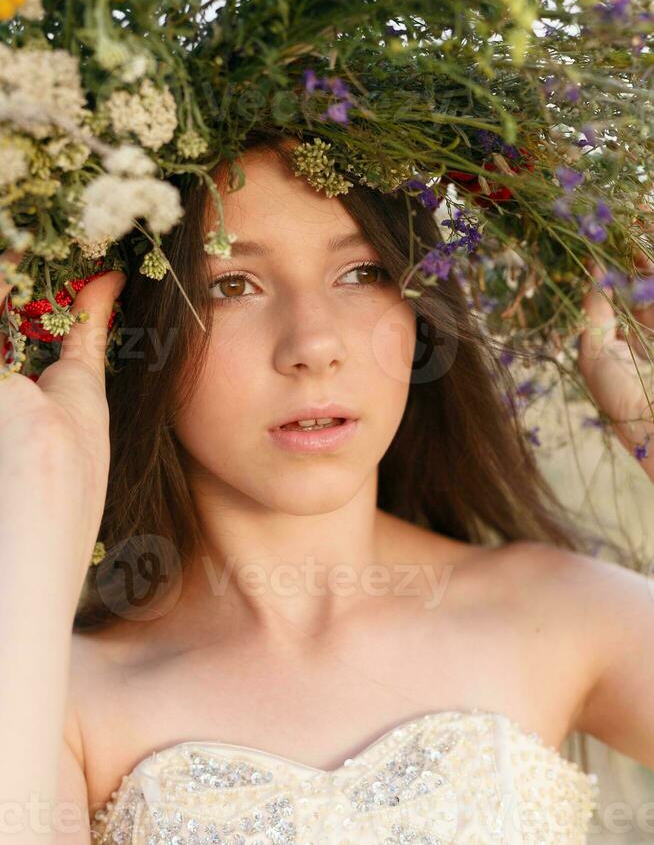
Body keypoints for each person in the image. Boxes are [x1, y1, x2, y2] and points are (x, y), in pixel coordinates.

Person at [1, 138, 653, 845]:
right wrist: (39, 492)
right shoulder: (57, 693)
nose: (314, 343)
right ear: (125, 325)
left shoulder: (554, 612)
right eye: (233, 284)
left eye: (362, 272)